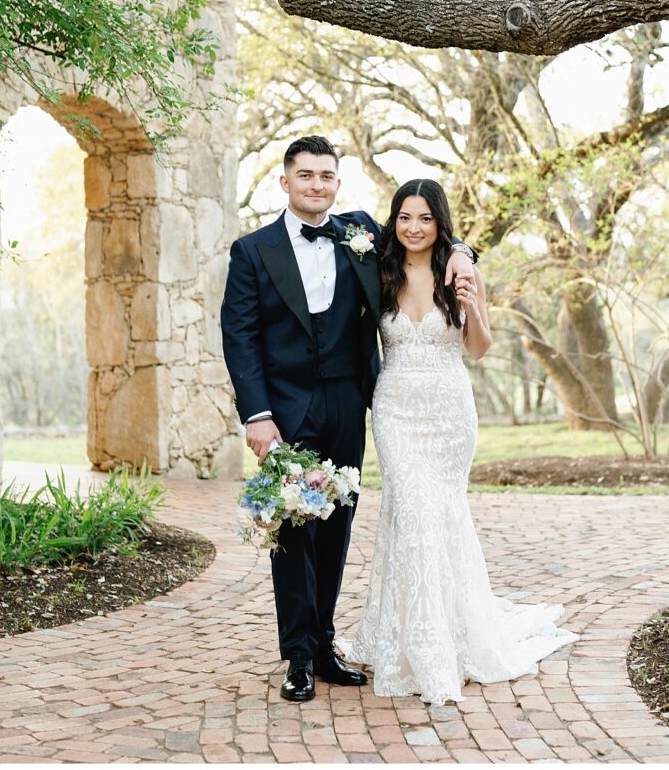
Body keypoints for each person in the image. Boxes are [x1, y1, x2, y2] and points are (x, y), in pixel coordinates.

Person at [220, 137, 476, 702]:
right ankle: (299, 656)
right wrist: (257, 417)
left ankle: (327, 642)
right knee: (292, 529)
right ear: (285, 182)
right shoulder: (253, 251)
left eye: (326, 176)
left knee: (335, 527)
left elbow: (423, 230)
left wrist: (463, 250)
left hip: (351, 404)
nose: (316, 185)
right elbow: (239, 337)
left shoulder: (359, 233)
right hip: (283, 413)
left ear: (338, 184)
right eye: (305, 175)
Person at [341, 179, 577, 706]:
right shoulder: (379, 268)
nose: (414, 227)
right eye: (405, 217)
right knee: (412, 513)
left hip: (450, 412)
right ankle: (416, 646)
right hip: (397, 410)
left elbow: (479, 348)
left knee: (442, 515)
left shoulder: (461, 273)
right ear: (394, 220)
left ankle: (449, 635)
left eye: (425, 218)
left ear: (439, 221)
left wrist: (471, 304)